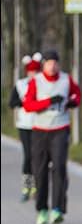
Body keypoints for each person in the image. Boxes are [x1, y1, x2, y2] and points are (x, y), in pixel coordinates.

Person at [21, 49, 80, 224]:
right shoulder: (36, 81)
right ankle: (42, 210)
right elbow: (28, 105)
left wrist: (72, 102)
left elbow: (77, 95)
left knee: (60, 168)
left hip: (60, 129)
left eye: (55, 62)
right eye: (48, 63)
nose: (52, 66)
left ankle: (57, 209)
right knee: (40, 170)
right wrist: (48, 101)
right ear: (43, 65)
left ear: (58, 64)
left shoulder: (65, 79)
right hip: (40, 131)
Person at [8, 53, 41, 201]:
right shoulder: (21, 84)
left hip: (40, 125)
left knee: (38, 157)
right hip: (25, 125)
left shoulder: (43, 84)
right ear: (27, 71)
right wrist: (25, 104)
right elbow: (12, 102)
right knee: (28, 156)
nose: (34, 74)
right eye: (31, 71)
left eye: (36, 71)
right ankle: (26, 186)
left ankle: (37, 186)